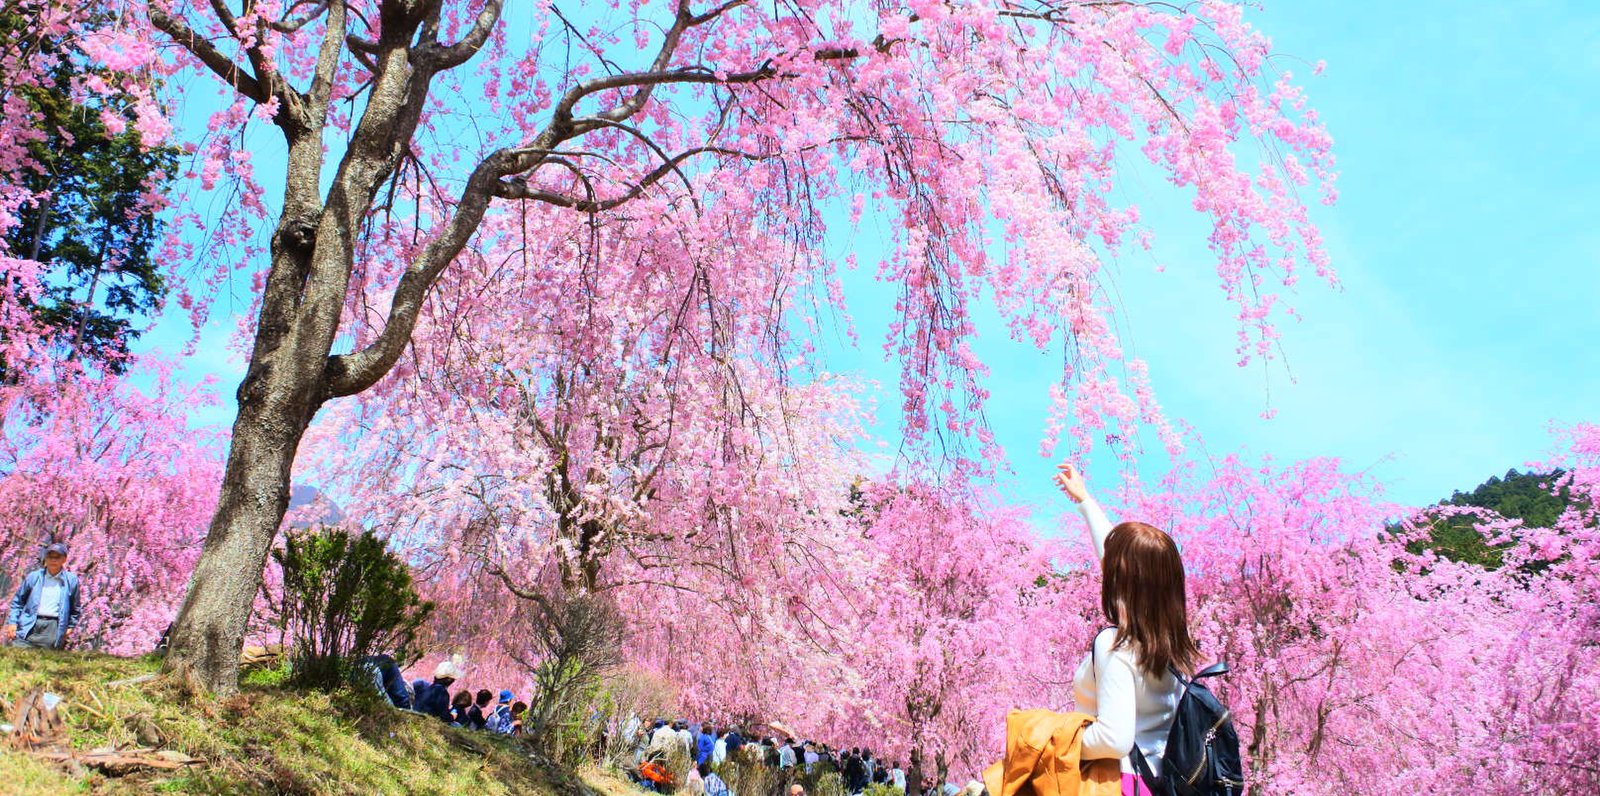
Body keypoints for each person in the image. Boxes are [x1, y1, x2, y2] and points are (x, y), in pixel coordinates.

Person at [1055, 463, 1196, 796]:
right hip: (1161, 783)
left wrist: (1053, 741)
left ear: (1122, 581)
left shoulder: (1115, 644)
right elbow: (1125, 562)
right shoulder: (1169, 646)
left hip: (1116, 784)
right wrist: (1085, 501)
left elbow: (1114, 738)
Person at [5, 543, 82, 650]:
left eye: (57, 557)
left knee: (45, 661)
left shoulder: (71, 580)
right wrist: (13, 622)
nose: (53, 560)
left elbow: (75, 608)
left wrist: (70, 627)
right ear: (45, 558)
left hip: (53, 627)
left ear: (64, 559)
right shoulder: (34, 577)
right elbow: (18, 601)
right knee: (18, 655)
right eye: (50, 556)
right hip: (29, 623)